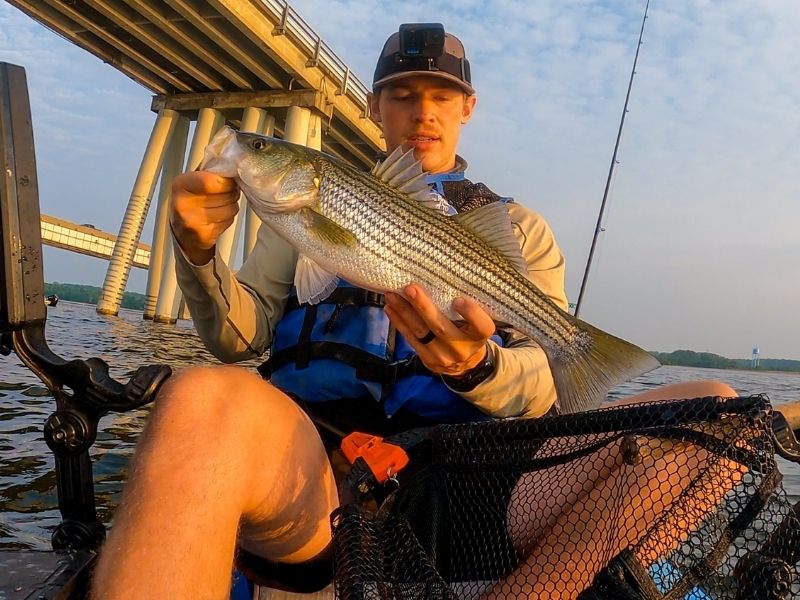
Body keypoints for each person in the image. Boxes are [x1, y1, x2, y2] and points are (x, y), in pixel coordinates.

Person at [91, 24, 736, 600]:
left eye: (442, 97)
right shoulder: (298, 216)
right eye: (401, 95)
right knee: (198, 396)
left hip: (480, 475)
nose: (422, 112)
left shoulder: (518, 229)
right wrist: (196, 252)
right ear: (375, 107)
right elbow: (239, 338)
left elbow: (545, 389)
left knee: (715, 412)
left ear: (467, 108)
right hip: (319, 471)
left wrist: (477, 368)